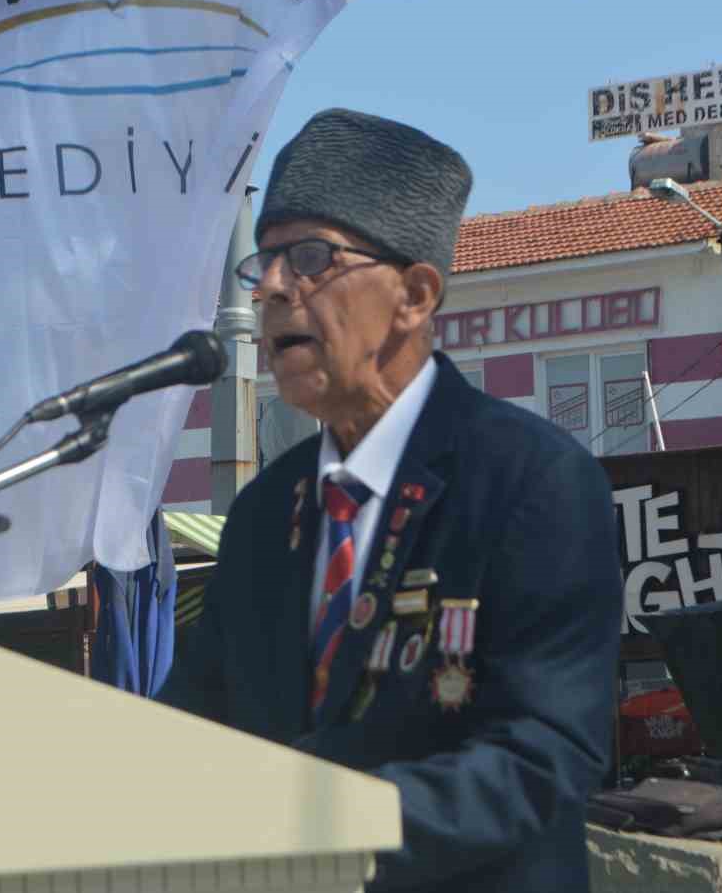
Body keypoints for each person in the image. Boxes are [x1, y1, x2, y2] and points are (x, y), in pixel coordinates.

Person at [155, 109, 622, 891]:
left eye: (309, 257)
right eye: (262, 262)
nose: (272, 287)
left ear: (413, 295)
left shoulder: (532, 482)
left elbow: (543, 757)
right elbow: (199, 711)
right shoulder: (269, 508)